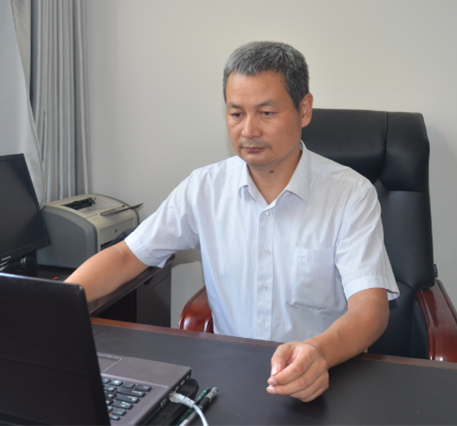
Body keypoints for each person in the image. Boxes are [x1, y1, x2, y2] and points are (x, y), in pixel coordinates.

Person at [65, 41, 399, 403]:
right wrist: (55, 306)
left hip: (322, 378)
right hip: (232, 381)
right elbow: (127, 256)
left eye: (266, 113)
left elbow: (370, 308)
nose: (248, 130)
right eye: (236, 114)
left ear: (304, 110)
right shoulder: (205, 187)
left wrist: (318, 352)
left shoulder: (350, 193)